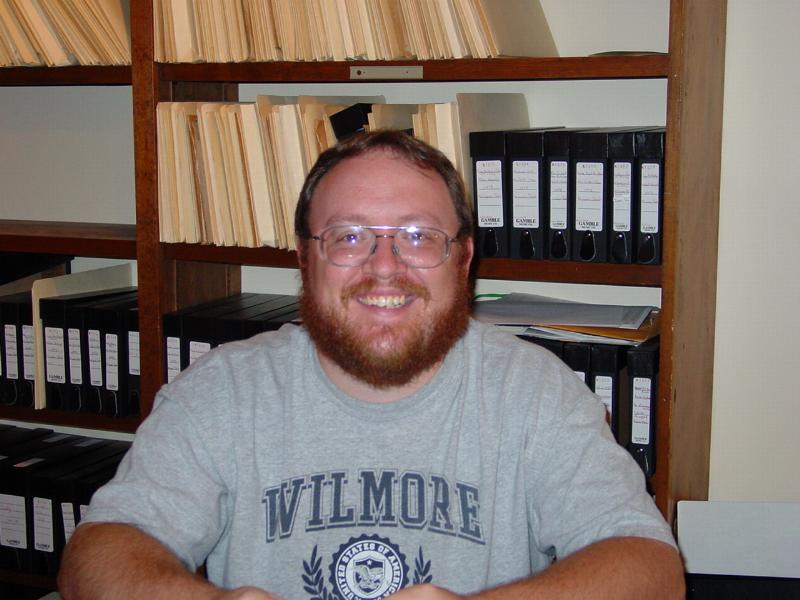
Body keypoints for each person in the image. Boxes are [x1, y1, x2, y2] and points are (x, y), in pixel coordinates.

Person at [58, 130, 684, 599]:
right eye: (350, 237)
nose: (385, 268)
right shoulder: (222, 390)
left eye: (418, 236)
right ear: (304, 259)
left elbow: (650, 566)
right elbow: (98, 554)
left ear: (463, 260)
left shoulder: (535, 391)